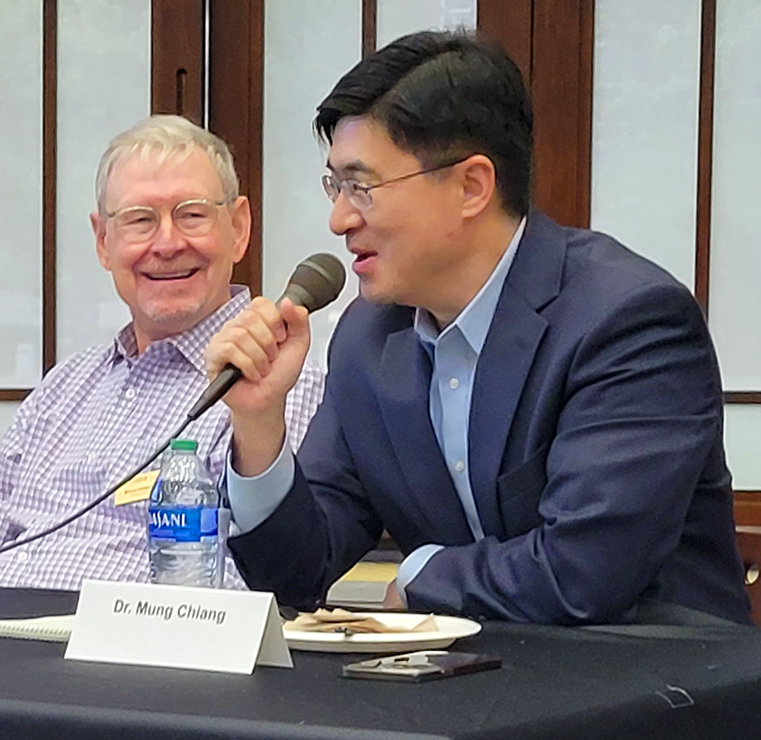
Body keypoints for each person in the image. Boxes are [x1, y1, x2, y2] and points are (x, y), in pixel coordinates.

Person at [208, 32, 748, 625]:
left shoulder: (628, 320)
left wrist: (419, 578)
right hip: (460, 692)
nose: (338, 218)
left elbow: (583, 573)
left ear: (471, 186)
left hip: (648, 689)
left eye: (362, 187)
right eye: (335, 185)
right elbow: (298, 573)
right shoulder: (368, 338)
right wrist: (258, 424)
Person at [0, 115, 325, 591]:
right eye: (140, 220)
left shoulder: (280, 386)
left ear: (238, 228)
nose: (166, 244)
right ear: (103, 241)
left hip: (130, 651)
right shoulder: (63, 388)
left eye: (192, 215)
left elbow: (261, 586)